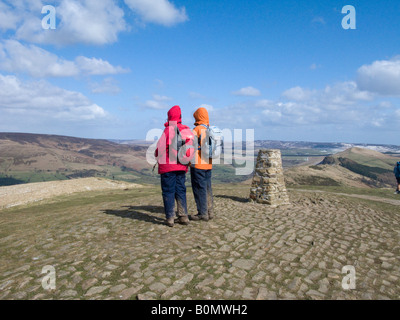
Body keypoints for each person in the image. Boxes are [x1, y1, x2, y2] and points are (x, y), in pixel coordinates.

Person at [155, 106, 195, 227]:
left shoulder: (168, 130)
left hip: (168, 166)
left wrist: (156, 156)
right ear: (180, 116)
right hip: (182, 166)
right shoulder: (186, 130)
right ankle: (183, 216)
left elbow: (160, 149)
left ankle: (170, 217)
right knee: (181, 190)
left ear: (170, 116)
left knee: (168, 191)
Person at [190, 107, 214, 221]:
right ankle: (210, 211)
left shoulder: (197, 130)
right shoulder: (210, 129)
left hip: (198, 164)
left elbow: (190, 147)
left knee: (199, 189)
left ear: (197, 116)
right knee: (208, 187)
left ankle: (202, 213)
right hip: (208, 163)